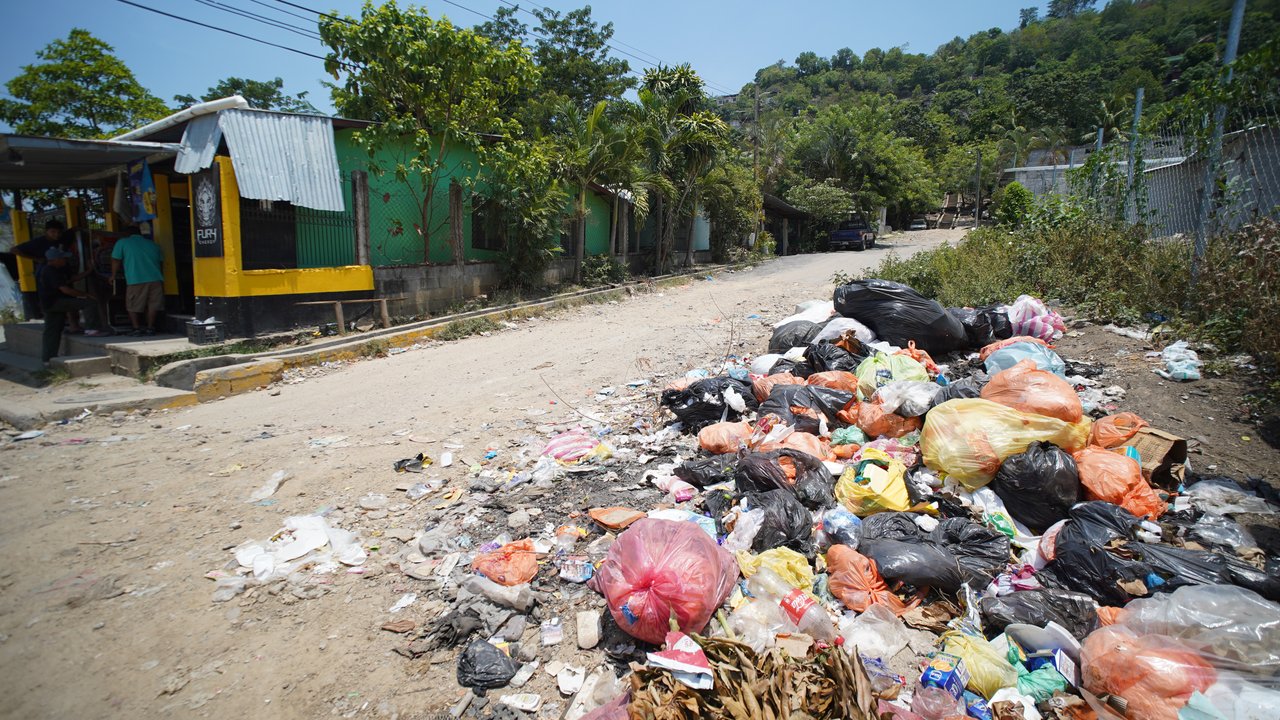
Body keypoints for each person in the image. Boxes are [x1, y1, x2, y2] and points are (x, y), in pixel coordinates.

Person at [38, 247, 102, 364]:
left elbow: (72, 279)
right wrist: (85, 295)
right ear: (55, 259)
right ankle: (91, 330)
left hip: (49, 304)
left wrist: (89, 270)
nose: (65, 260)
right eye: (63, 258)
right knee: (90, 303)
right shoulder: (50, 271)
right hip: (56, 302)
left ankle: (47, 359)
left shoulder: (54, 269)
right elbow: (65, 289)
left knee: (52, 331)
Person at [110, 225, 164, 336]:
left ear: (126, 234)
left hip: (136, 278)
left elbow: (116, 260)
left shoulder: (123, 242)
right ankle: (150, 328)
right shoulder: (153, 244)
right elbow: (161, 262)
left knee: (132, 304)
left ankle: (136, 328)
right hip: (155, 278)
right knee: (153, 304)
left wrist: (113, 275)